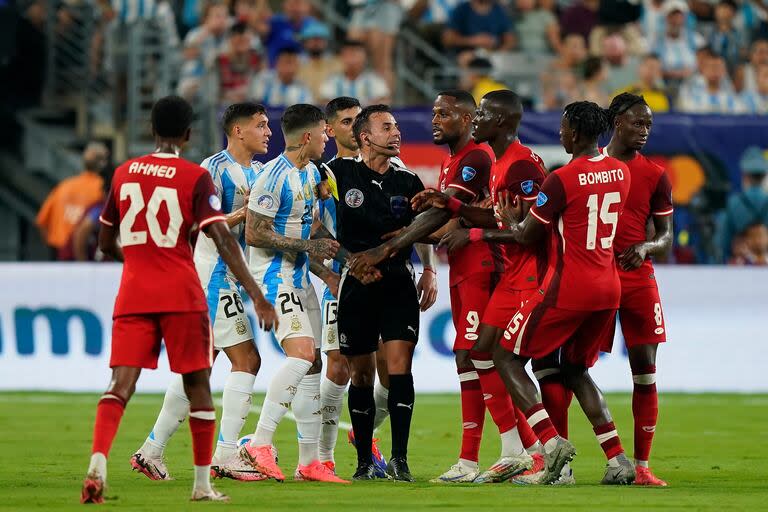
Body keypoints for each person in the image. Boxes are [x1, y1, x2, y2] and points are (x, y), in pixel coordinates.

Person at [80, 95, 278, 504]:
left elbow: (103, 240)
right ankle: (218, 462)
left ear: (151, 129)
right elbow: (217, 235)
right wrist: (259, 294)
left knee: (132, 381)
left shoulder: (124, 172)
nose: (267, 132)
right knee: (235, 364)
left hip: (139, 288)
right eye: (260, 125)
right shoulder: (203, 171)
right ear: (189, 134)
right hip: (200, 281)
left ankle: (142, 452)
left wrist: (139, 260)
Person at [425, 101, 635, 485]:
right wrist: (492, 214)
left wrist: (475, 231)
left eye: (564, 126)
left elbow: (526, 234)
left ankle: (550, 446)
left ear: (576, 132)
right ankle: (618, 458)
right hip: (609, 287)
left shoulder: (561, 179)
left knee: (505, 356)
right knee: (573, 370)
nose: (560, 133)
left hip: (566, 286)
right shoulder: (621, 172)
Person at [352, 90, 543, 484]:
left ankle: (521, 450)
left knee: (478, 354)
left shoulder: (474, 157)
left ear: (469, 117)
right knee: (469, 357)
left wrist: (392, 245)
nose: (434, 120)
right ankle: (489, 456)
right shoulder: (458, 159)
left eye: (445, 113)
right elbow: (450, 216)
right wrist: (417, 230)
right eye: (434, 113)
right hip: (465, 266)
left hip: (482, 267)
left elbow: (447, 212)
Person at [129, 102, 273, 482]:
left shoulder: (260, 172)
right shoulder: (213, 169)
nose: (268, 132)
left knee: (201, 366)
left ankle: (152, 450)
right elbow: (196, 223)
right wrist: (240, 217)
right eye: (260, 125)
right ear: (238, 131)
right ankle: (226, 454)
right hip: (212, 276)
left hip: (229, 277)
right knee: (247, 360)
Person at [237, 104, 349, 484]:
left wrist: (325, 275)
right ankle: (259, 444)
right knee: (301, 354)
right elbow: (255, 233)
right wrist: (310, 250)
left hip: (301, 278)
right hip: (273, 277)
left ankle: (309, 463)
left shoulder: (312, 172)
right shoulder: (272, 175)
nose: (327, 138)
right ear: (307, 137)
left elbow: (307, 233)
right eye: (323, 133)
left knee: (313, 365)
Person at [330, 105, 435, 481]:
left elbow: (424, 226)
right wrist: (348, 261)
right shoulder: (337, 173)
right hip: (356, 283)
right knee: (359, 375)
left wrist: (429, 269)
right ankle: (362, 464)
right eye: (386, 127)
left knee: (398, 368)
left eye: (397, 126)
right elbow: (315, 225)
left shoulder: (407, 181)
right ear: (365, 137)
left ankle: (400, 460)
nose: (396, 133)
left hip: (397, 282)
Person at [316, 97, 390, 476]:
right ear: (330, 130)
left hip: (385, 282)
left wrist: (426, 270)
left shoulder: (392, 166)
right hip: (342, 283)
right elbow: (309, 233)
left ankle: (365, 432)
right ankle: (322, 460)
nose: (355, 125)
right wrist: (331, 275)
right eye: (346, 121)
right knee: (339, 368)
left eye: (359, 119)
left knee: (391, 369)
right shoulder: (325, 175)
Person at [603, 93, 673, 486]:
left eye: (648, 125)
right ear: (616, 122)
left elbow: (665, 236)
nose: (644, 131)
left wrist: (645, 246)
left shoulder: (655, 174)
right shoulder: (591, 165)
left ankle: (642, 466)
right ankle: (610, 456)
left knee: (645, 372)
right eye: (637, 123)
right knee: (571, 369)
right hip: (593, 277)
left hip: (637, 278)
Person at [36, 142, 109, 258]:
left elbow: (41, 222)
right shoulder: (102, 190)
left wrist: (53, 247)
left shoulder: (63, 186)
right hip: (85, 254)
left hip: (59, 251)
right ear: (103, 163)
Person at [719, 146, 768, 261]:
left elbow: (724, 242)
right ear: (764, 176)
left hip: (743, 263)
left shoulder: (733, 203)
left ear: (745, 175)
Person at [319, 40, 390, 106]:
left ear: (365, 58)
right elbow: (324, 101)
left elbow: (384, 100)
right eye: (348, 55)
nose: (352, 60)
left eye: (355, 55)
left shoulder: (375, 79)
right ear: (342, 57)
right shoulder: (332, 80)